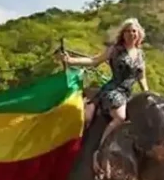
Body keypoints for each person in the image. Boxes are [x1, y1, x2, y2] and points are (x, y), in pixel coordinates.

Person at [60, 18, 150, 149]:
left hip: (128, 93)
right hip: (114, 90)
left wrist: (147, 93)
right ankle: (102, 148)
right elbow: (93, 61)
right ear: (123, 34)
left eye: (134, 31)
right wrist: (70, 61)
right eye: (128, 31)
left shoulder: (140, 54)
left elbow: (141, 77)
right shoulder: (115, 50)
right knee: (120, 117)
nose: (131, 34)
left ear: (139, 34)